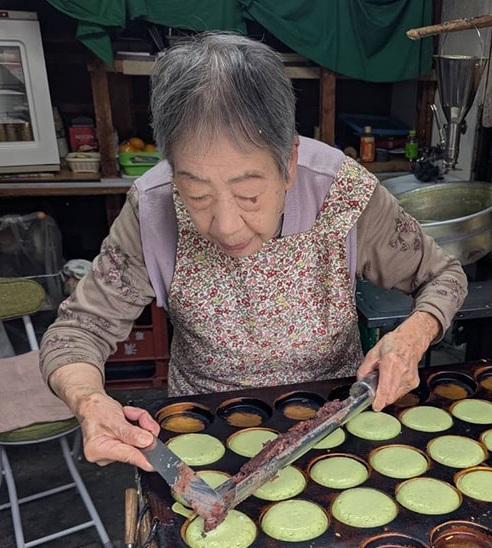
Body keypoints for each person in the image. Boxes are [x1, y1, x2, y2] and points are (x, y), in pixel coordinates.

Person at [39, 32, 468, 472]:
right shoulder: (152, 206)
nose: (225, 226)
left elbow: (445, 275)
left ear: (288, 163)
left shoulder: (344, 193)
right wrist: (89, 401)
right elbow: (77, 331)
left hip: (333, 427)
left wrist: (414, 336)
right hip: (205, 431)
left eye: (247, 193)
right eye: (197, 193)